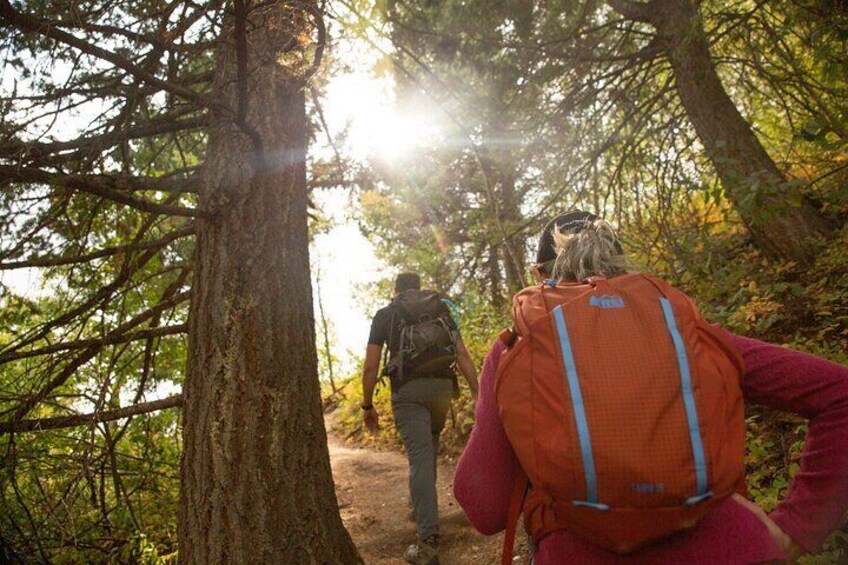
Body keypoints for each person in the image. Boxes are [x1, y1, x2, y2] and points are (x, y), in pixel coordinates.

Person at [454, 211, 848, 564]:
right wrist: (798, 525)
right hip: (729, 547)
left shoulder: (517, 350)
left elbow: (485, 508)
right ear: (623, 267)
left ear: (540, 276)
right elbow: (838, 393)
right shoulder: (683, 331)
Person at [362, 272, 478, 565]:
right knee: (429, 453)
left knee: (420, 460)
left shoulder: (386, 315)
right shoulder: (439, 309)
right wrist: (479, 393)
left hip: (409, 393)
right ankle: (421, 509)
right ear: (418, 287)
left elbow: (371, 365)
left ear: (397, 290)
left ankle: (427, 543)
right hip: (441, 388)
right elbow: (462, 353)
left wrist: (367, 405)